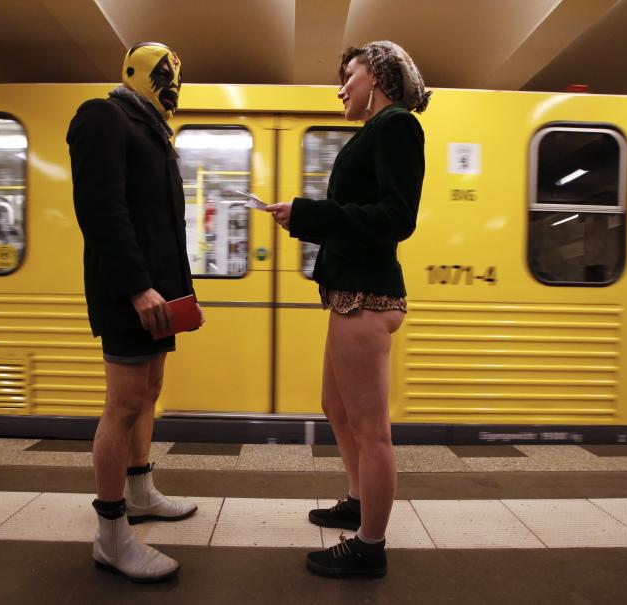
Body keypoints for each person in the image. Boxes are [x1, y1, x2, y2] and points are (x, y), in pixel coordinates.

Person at [266, 40, 430, 578]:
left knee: (370, 427)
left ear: (377, 77)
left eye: (349, 76)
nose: (341, 87)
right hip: (347, 292)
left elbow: (395, 217)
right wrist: (306, 219)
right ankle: (359, 501)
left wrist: (313, 213)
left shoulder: (397, 126)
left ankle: (370, 545)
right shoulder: (374, 131)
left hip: (368, 294)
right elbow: (357, 212)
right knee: (336, 409)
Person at [66, 42, 201, 582]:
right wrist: (138, 288)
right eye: (167, 75)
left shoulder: (153, 130)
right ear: (139, 72)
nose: (174, 87)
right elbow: (101, 211)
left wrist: (180, 295)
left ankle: (141, 490)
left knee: (148, 392)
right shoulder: (104, 116)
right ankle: (112, 534)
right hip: (130, 295)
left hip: (159, 297)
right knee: (122, 405)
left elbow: (164, 225)